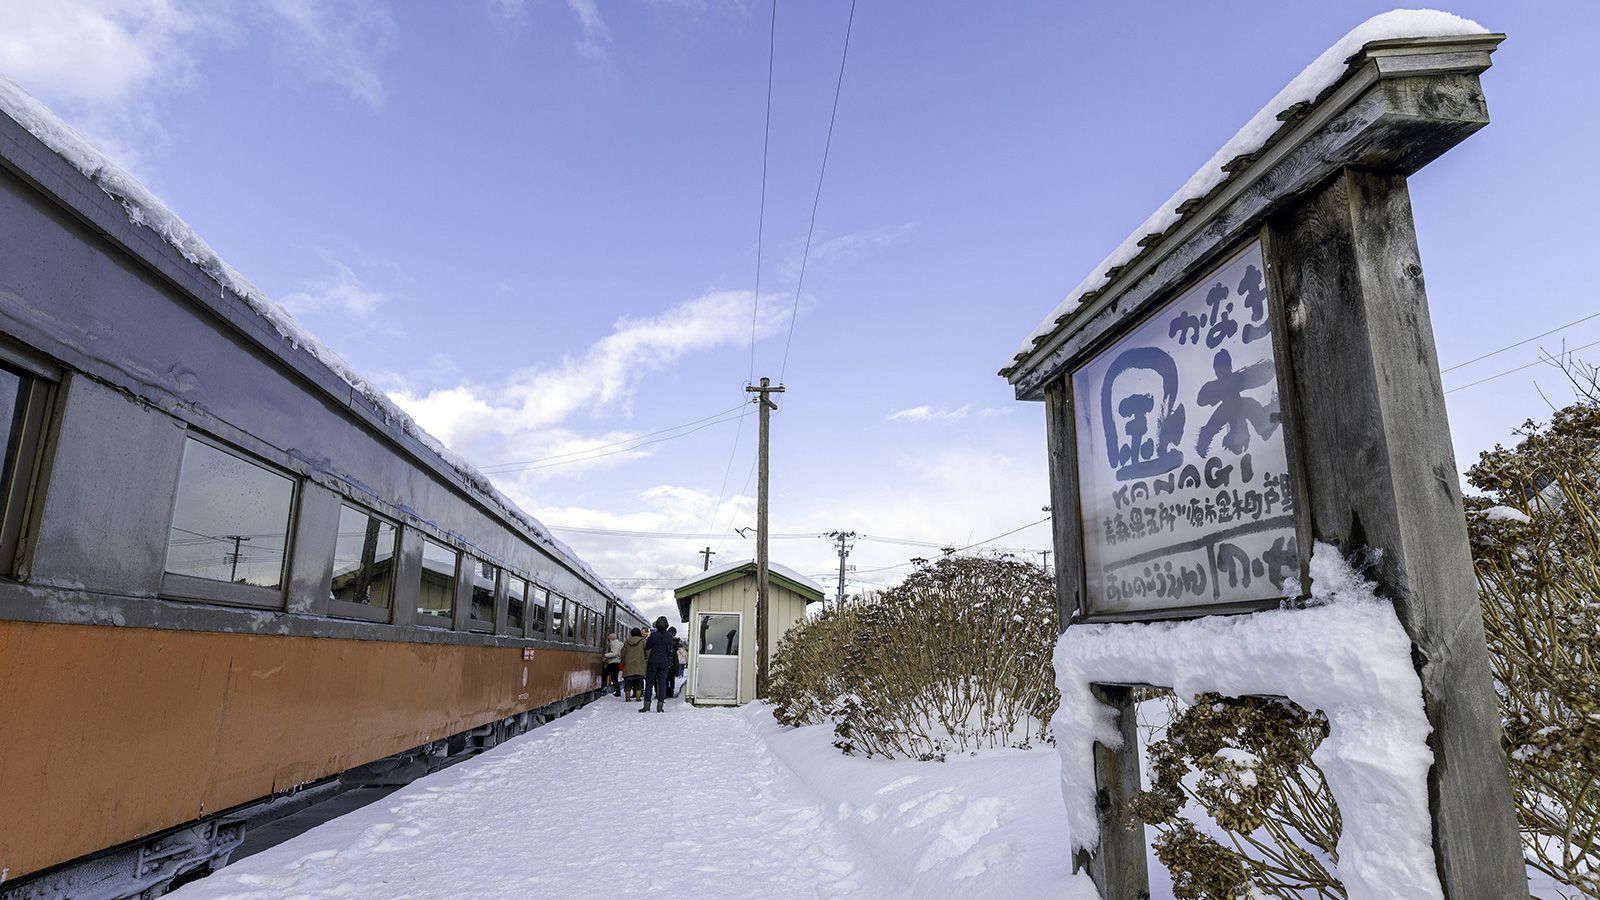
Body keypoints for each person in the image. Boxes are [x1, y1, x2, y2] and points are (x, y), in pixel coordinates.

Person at [641, 616, 674, 713]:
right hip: (664, 662)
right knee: (662, 684)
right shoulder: (669, 636)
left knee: (649, 683)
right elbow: (670, 649)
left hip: (653, 662)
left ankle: (646, 706)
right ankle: (660, 707)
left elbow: (648, 646)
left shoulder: (654, 635)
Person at [621, 627, 647, 702]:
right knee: (639, 682)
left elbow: (623, 653)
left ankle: (627, 698)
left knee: (628, 683)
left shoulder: (626, 642)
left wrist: (623, 661)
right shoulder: (643, 642)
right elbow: (647, 652)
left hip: (628, 666)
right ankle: (638, 698)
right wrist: (645, 660)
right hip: (639, 665)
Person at [603, 632, 623, 697]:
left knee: (604, 674)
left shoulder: (614, 644)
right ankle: (618, 692)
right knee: (614, 678)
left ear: (610, 639)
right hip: (617, 663)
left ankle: (602, 687)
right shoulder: (619, 644)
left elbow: (615, 653)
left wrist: (605, 655)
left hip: (613, 663)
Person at [664, 626, 679, 699]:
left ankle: (666, 692)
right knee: (672, 678)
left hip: (666, 661)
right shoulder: (676, 641)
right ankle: (671, 692)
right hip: (673, 661)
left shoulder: (665, 639)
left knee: (665, 678)